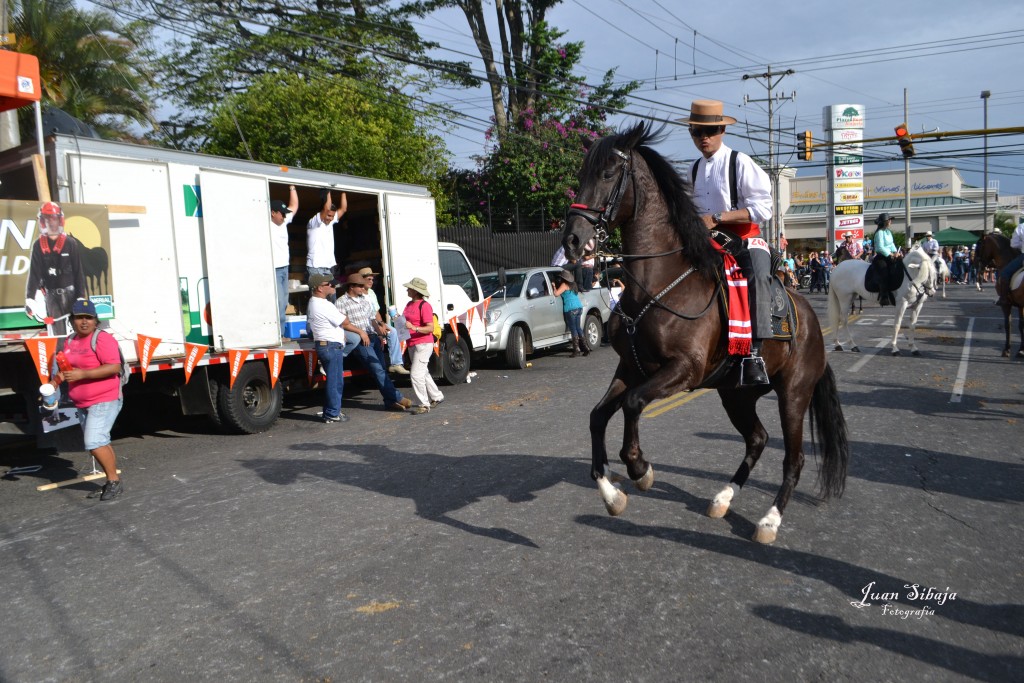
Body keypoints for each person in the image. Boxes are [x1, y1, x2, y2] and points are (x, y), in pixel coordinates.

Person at [683, 99, 773, 385]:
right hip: (708, 243)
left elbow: (764, 208)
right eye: (697, 132)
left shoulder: (740, 162)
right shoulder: (693, 170)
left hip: (745, 239)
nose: (703, 138)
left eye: (709, 131)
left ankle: (755, 353)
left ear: (722, 130)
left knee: (757, 275)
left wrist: (719, 217)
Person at [51, 298, 125, 500]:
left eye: (88, 318)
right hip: (83, 402)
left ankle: (113, 481)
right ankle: (112, 481)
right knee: (100, 442)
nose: (84, 322)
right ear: (72, 320)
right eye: (79, 318)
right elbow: (65, 370)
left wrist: (82, 374)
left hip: (105, 398)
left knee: (93, 442)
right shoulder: (69, 341)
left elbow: (114, 367)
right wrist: (54, 383)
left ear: (95, 320)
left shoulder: (102, 339)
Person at [335, 274, 413, 412]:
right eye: (360, 286)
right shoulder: (341, 302)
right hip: (361, 340)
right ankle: (397, 397)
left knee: (381, 370)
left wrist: (379, 333)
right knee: (377, 370)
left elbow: (372, 319)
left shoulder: (365, 299)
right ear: (351, 286)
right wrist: (361, 332)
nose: (363, 288)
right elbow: (344, 324)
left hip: (373, 337)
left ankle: (389, 402)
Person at [25, 201, 88, 336]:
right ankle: (60, 355)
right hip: (51, 296)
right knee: (58, 334)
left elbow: (78, 271)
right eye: (48, 219)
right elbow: (34, 274)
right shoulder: (38, 246)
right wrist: (30, 298)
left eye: (54, 219)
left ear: (60, 220)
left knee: (78, 331)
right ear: (43, 221)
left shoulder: (70, 243)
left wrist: (81, 296)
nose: (51, 223)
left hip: (71, 294)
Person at [307, 274, 362, 423]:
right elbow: (345, 321)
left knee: (333, 380)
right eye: (329, 284)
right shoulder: (324, 304)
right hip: (331, 346)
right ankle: (332, 413)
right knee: (336, 381)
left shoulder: (313, 302)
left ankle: (331, 411)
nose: (333, 286)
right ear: (319, 288)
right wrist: (343, 317)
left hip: (325, 345)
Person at [354, 266, 408, 375]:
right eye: (368, 279)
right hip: (366, 325)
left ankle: (396, 364)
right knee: (383, 335)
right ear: (361, 280)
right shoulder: (358, 295)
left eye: (372, 279)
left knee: (392, 331)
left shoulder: (372, 293)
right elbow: (365, 316)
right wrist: (378, 327)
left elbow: (376, 311)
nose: (371, 281)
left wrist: (382, 324)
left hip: (375, 322)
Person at [401, 277, 444, 415]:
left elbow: (430, 328)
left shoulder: (425, 306)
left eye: (409, 288)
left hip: (424, 343)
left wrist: (414, 328)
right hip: (412, 343)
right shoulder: (408, 304)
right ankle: (437, 396)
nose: (407, 289)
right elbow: (404, 321)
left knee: (415, 374)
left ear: (415, 291)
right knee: (422, 372)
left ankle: (424, 404)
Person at [270, 187, 299, 339]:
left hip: (284, 267)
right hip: (273, 268)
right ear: (273, 213)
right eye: (281, 213)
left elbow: (294, 206)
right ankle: (278, 334)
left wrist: (292, 187)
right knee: (279, 301)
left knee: (284, 301)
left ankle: (279, 333)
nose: (284, 217)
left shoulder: (283, 221)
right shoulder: (266, 225)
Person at [306, 190, 347, 281]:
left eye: (332, 216)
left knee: (331, 294)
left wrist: (343, 190)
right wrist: (328, 189)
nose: (330, 218)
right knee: (318, 294)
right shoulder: (314, 222)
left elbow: (343, 209)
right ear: (322, 212)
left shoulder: (330, 223)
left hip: (329, 267)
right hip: (316, 267)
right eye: (328, 215)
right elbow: (327, 208)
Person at [552, 269, 588, 357]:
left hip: (570, 308)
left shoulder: (564, 285)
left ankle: (576, 350)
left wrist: (553, 286)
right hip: (578, 307)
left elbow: (556, 294)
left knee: (573, 329)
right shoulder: (574, 284)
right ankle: (586, 348)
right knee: (578, 328)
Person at [996, 218, 1024, 306]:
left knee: (1005, 273)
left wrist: (1022, 245)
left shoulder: (1021, 227)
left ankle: (1004, 299)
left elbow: (1013, 244)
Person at [872, 213, 898, 305]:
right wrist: (890, 254)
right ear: (884, 222)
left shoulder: (888, 232)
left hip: (890, 256)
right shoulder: (879, 233)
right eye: (889, 220)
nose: (890, 221)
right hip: (881, 257)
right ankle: (884, 296)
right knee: (884, 272)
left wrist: (896, 252)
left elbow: (891, 244)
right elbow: (879, 248)